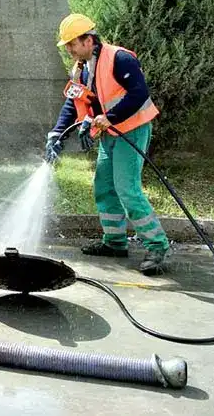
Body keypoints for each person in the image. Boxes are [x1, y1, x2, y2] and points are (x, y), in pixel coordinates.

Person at [44, 14, 171, 275]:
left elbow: (139, 93)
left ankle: (157, 245)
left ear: (88, 40)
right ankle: (114, 242)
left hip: (132, 130)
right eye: (66, 45)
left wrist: (109, 117)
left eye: (72, 44)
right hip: (109, 133)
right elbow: (73, 102)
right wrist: (56, 134)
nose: (69, 49)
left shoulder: (120, 58)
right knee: (104, 187)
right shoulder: (81, 67)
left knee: (127, 189)